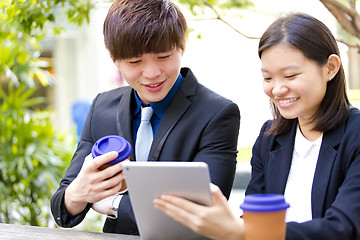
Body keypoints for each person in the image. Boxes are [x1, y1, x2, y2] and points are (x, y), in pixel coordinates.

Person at [154, 12, 360, 239]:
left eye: (290, 75)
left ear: (330, 68)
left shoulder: (355, 134)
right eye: (268, 78)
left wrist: (243, 232)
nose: (278, 89)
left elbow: (345, 228)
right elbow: (253, 219)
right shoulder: (269, 138)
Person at [50, 0, 240, 235]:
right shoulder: (102, 107)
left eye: (163, 57)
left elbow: (202, 211)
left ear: (182, 46)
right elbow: (62, 208)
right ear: (115, 59)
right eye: (135, 62)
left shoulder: (217, 113)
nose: (152, 73)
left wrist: (112, 204)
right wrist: (77, 193)